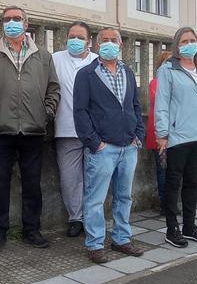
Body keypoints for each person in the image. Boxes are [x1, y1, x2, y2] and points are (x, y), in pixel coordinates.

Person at [0, 6, 60, 253]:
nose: (11, 22)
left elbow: (53, 89)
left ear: (26, 24)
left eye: (16, 19)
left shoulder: (43, 56)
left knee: (32, 183)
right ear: (1, 24)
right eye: (7, 19)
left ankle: (32, 229)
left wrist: (46, 113)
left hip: (33, 130)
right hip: (0, 130)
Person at [73, 27, 145, 263]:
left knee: (124, 196)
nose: (109, 44)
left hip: (128, 146)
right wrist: (95, 143)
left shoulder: (128, 72)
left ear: (121, 45)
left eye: (114, 40)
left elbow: (135, 105)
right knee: (95, 199)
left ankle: (122, 239)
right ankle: (95, 244)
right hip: (103, 149)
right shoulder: (87, 74)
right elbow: (81, 112)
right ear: (95, 45)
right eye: (105, 40)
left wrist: (138, 134)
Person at [154, 27, 197, 247]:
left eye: (193, 40)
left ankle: (189, 226)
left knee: (192, 182)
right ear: (176, 44)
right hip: (178, 135)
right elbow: (162, 104)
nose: (189, 44)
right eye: (184, 41)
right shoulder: (168, 70)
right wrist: (162, 133)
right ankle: (172, 228)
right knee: (174, 182)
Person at [53, 22, 98, 238]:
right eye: (72, 36)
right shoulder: (55, 59)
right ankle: (76, 218)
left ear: (89, 40)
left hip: (93, 131)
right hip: (65, 129)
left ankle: (92, 217)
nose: (75, 40)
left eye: (80, 37)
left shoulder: (97, 62)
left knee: (93, 177)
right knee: (70, 178)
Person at [145, 51, 172, 217]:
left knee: (173, 171)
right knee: (162, 170)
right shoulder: (155, 82)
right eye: (166, 62)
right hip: (158, 133)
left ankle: (172, 202)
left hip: (176, 133)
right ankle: (164, 204)